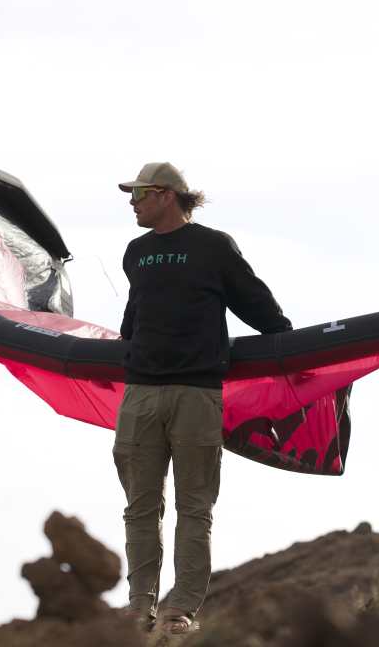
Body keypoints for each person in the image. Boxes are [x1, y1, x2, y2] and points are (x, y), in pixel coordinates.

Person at [115, 162, 292, 634]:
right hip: (141, 392)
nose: (132, 202)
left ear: (167, 195)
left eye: (140, 194)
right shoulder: (136, 253)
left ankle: (180, 609)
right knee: (140, 506)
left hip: (197, 392)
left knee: (195, 506)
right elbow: (134, 319)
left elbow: (256, 303)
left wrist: (288, 348)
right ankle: (139, 607)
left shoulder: (213, 247)